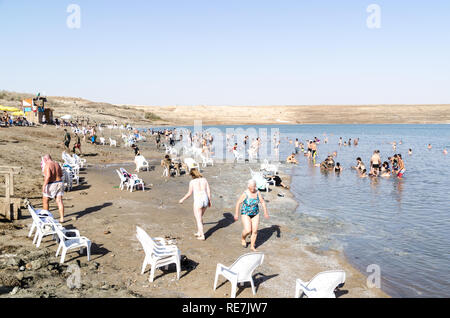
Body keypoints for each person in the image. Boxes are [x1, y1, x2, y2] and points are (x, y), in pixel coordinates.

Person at [234, 179, 269, 251]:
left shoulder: (258, 192)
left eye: (254, 187)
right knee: (248, 230)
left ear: (255, 186)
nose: (253, 188)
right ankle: (243, 239)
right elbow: (238, 203)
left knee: (255, 231)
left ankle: (252, 246)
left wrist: (265, 212)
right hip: (245, 213)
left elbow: (262, 202)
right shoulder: (245, 193)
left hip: (255, 213)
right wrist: (236, 214)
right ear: (248, 186)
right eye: (251, 187)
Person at [179, 169, 211, 241]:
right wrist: (209, 201)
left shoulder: (192, 182)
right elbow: (208, 190)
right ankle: (199, 232)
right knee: (200, 217)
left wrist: (182, 199)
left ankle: (202, 236)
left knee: (198, 219)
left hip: (198, 201)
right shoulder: (204, 179)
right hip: (205, 199)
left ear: (192, 175)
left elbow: (189, 193)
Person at [42, 155, 65, 223]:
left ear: (46, 159)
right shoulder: (57, 164)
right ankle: (62, 218)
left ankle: (46, 218)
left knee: (45, 200)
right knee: (59, 201)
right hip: (60, 182)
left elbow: (48, 176)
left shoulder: (47, 165)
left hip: (51, 183)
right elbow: (61, 174)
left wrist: (44, 185)